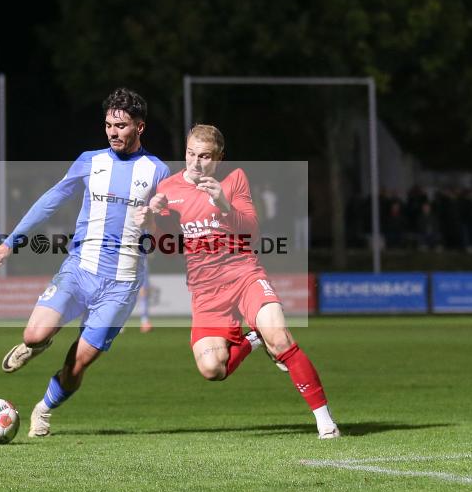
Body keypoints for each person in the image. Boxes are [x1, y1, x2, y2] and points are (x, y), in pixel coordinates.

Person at [135, 124, 340, 439]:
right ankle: (253, 340)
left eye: (204, 156)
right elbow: (170, 248)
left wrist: (224, 205)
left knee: (281, 338)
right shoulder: (169, 188)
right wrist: (151, 220)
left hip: (244, 275)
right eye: (191, 154)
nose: (196, 162)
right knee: (212, 369)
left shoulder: (234, 180)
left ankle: (325, 421)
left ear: (219, 158)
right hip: (205, 291)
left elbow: (252, 232)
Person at [0, 87, 170, 437]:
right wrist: (12, 239)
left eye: (121, 125)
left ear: (140, 127)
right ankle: (37, 345)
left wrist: (154, 220)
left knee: (78, 365)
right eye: (108, 125)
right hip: (79, 270)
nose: (113, 132)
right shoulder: (90, 161)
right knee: (33, 333)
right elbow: (50, 200)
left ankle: (43, 409)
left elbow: (165, 230)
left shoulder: (158, 171)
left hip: (122, 283)